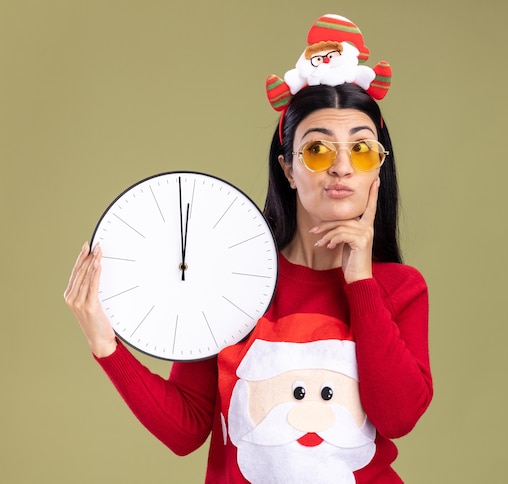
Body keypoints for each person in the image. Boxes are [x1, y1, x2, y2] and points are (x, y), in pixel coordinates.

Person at [64, 14, 433, 483]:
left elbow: (399, 416)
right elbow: (186, 431)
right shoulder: (231, 279)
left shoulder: (401, 288)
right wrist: (104, 342)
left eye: (361, 150)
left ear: (378, 168)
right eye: (318, 150)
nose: (341, 167)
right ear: (287, 168)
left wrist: (360, 281)